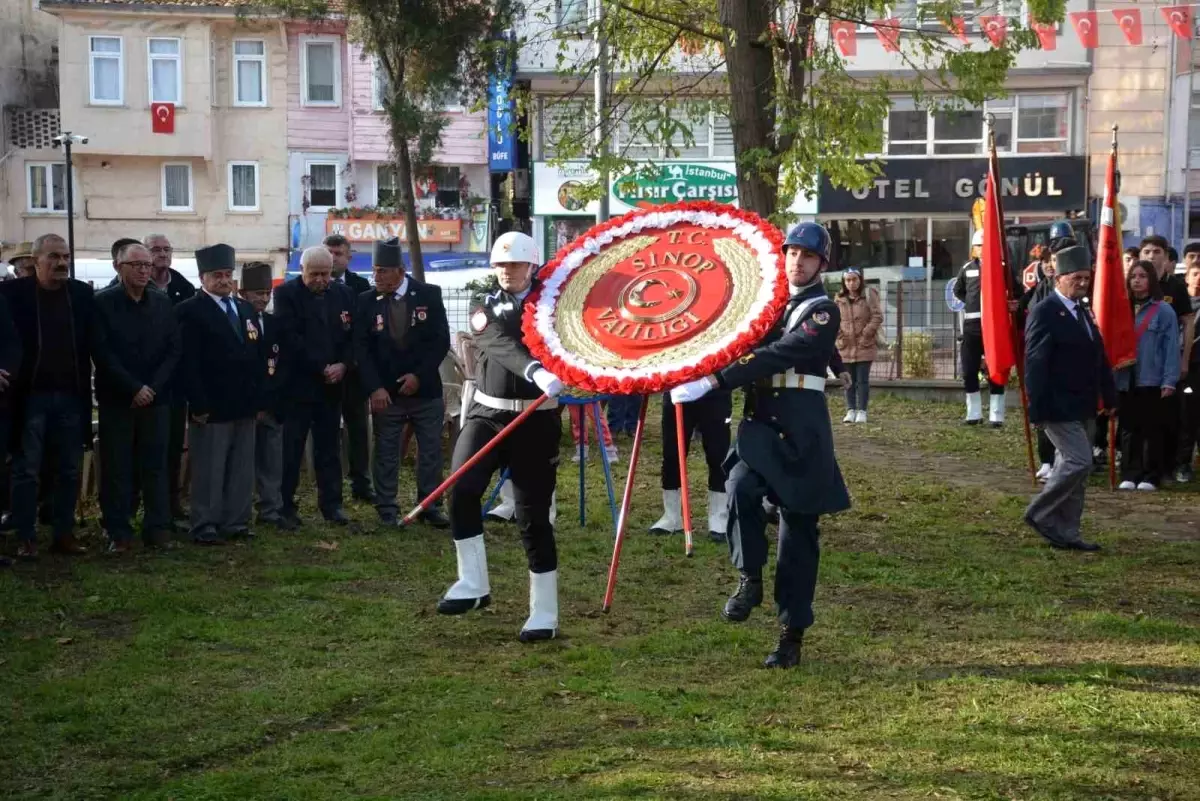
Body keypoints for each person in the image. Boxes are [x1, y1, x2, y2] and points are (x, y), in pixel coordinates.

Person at [670, 222, 851, 669]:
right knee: (738, 487)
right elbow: (732, 335)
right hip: (759, 424)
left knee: (798, 533)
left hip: (802, 430)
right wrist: (682, 356)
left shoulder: (824, 310)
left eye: (808, 256)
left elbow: (780, 352)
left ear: (821, 263)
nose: (798, 261)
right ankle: (750, 576)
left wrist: (716, 380)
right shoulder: (767, 303)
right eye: (792, 253)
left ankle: (792, 633)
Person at [436, 231, 566, 643]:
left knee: (533, 516)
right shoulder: (484, 305)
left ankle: (544, 611)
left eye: (514, 265)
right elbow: (498, 343)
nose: (506, 272)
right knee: (460, 489)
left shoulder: (555, 306)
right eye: (500, 265)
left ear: (531, 265)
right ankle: (473, 583)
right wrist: (535, 371)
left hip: (536, 419)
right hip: (487, 413)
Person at [0, 234, 98, 558]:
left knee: (69, 468)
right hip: (29, 396)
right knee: (27, 468)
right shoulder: (14, 295)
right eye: (54, 257)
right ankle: (26, 535)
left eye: (66, 257)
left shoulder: (81, 295)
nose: (62, 263)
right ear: (36, 261)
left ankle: (63, 534)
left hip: (71, 395)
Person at [1023, 245, 1117, 552]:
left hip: (1084, 403)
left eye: (1087, 278)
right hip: (1056, 404)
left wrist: (1110, 394)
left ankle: (1067, 531)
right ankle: (1040, 512)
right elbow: (1035, 362)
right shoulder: (1045, 311)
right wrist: (1035, 407)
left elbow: (1098, 355)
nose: (1082, 283)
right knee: (1079, 460)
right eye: (1076, 277)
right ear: (1059, 277)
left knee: (1080, 471)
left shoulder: (1083, 311)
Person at [353, 237, 451, 528]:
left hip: (425, 390)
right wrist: (375, 388)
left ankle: (430, 505)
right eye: (375, 270)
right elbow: (361, 349)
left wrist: (418, 376)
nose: (377, 276)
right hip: (387, 393)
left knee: (431, 450)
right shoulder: (366, 301)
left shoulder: (428, 295)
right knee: (386, 451)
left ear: (400, 270)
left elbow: (440, 341)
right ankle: (386, 506)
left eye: (383, 270)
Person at [92, 242, 182, 552]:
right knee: (118, 467)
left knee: (155, 465)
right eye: (137, 265)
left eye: (147, 264)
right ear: (119, 267)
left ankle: (157, 529)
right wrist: (133, 388)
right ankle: (118, 530)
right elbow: (102, 353)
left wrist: (151, 388)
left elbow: (173, 349)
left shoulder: (161, 303)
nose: (145, 270)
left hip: (156, 399)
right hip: (119, 399)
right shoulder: (103, 303)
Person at [175, 244, 264, 544]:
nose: (224, 280)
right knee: (210, 468)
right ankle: (205, 523)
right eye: (217, 275)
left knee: (241, 467)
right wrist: (197, 402)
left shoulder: (245, 308)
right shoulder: (189, 310)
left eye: (228, 274)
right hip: (211, 404)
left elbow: (256, 354)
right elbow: (188, 362)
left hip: (244, 402)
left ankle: (236, 521)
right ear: (203, 278)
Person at [274, 246, 357, 527]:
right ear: (302, 270)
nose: (321, 280)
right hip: (298, 386)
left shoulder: (344, 295)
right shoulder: (286, 294)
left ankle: (332, 505)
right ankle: (285, 505)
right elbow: (290, 338)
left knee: (329, 449)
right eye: (315, 274)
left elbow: (352, 337)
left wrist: (343, 365)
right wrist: (321, 367)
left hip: (332, 387)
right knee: (291, 450)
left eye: (326, 274)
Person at [143, 234, 196, 525]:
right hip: (142, 382)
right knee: (143, 449)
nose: (162, 254)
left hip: (175, 384)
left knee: (174, 446)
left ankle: (172, 504)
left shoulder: (183, 288)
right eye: (156, 250)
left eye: (166, 249)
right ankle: (145, 507)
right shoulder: (131, 288)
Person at [1115, 262, 1179, 491]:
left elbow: (1171, 348)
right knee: (1129, 429)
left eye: (1142, 276)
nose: (1137, 280)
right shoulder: (1121, 308)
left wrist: (1169, 380)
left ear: (1151, 280)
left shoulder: (1164, 311)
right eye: (1133, 276)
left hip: (1151, 378)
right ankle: (1129, 473)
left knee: (1152, 430)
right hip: (1125, 378)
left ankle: (1150, 475)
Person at [1140, 235, 1195, 482]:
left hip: (1169, 359)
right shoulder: (1133, 284)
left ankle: (1168, 466)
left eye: (1157, 251)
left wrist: (1184, 360)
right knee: (1139, 418)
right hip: (1141, 360)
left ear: (1166, 256)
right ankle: (1138, 465)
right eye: (1147, 251)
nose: (1151, 256)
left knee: (1171, 416)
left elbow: (1188, 321)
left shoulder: (1175, 287)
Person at [325, 233, 373, 502]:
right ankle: (331, 485)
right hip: (323, 372)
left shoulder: (360, 286)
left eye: (338, 254)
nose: (332, 258)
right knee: (328, 429)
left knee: (357, 428)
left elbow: (361, 332)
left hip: (352, 371)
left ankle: (361, 483)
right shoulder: (311, 282)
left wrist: (347, 363)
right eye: (328, 252)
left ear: (349, 256)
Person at [239, 262, 288, 528]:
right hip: (246, 404)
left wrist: (270, 399)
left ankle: (270, 509)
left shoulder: (273, 323)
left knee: (272, 460)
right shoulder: (237, 320)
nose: (263, 298)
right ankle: (240, 511)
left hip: (273, 403)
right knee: (244, 463)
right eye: (257, 293)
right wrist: (255, 402)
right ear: (243, 294)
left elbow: (282, 363)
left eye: (266, 292)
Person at [649, 388, 732, 541]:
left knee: (718, 454)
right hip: (677, 388)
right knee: (671, 452)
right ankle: (672, 516)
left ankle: (719, 517)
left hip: (714, 389)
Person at [953, 230, 1007, 427]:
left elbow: (1015, 290)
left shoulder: (1001, 267)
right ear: (973, 248)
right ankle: (973, 413)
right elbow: (958, 290)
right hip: (972, 325)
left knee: (996, 370)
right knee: (969, 370)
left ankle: (996, 414)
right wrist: (971, 303)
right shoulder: (967, 269)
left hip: (993, 327)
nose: (982, 250)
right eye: (979, 246)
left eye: (985, 246)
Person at [834, 267, 882, 424]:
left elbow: (877, 316)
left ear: (860, 280)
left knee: (862, 380)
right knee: (848, 380)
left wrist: (867, 333)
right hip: (845, 346)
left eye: (854, 279)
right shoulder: (839, 298)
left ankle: (862, 410)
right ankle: (850, 409)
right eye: (848, 280)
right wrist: (840, 336)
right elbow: (834, 320)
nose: (851, 283)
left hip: (864, 344)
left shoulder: (868, 295)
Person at [1177, 258, 1200, 482]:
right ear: (1186, 278)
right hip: (1187, 368)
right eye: (1195, 274)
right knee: (1187, 417)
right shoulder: (1181, 306)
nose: (1199, 278)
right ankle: (1183, 463)